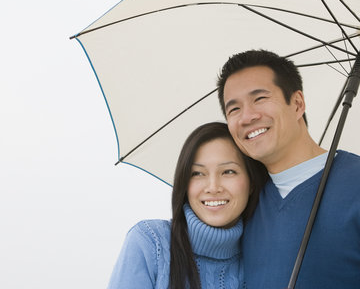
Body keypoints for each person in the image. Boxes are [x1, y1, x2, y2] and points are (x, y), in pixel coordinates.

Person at [217, 49, 360, 289]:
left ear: (297, 104)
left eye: (259, 98)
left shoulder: (354, 182)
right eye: (234, 109)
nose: (247, 117)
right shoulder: (243, 203)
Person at [107, 122, 267, 289]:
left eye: (228, 172)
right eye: (197, 173)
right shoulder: (149, 243)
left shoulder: (267, 261)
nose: (213, 187)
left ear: (252, 182)